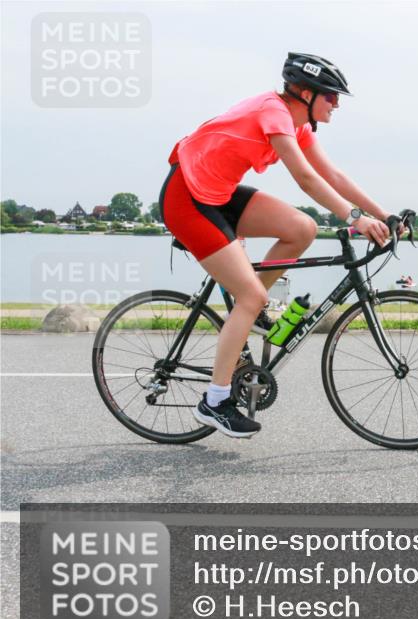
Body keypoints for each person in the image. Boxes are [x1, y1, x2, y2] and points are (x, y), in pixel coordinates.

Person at [159, 52, 398, 438]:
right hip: (186, 198)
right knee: (252, 296)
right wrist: (355, 219)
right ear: (304, 93)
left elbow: (332, 175)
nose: (336, 104)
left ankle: (247, 309)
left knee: (302, 228)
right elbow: (305, 178)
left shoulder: (299, 126)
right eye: (330, 96)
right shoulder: (273, 111)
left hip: (219, 195)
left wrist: (383, 215)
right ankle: (215, 401)